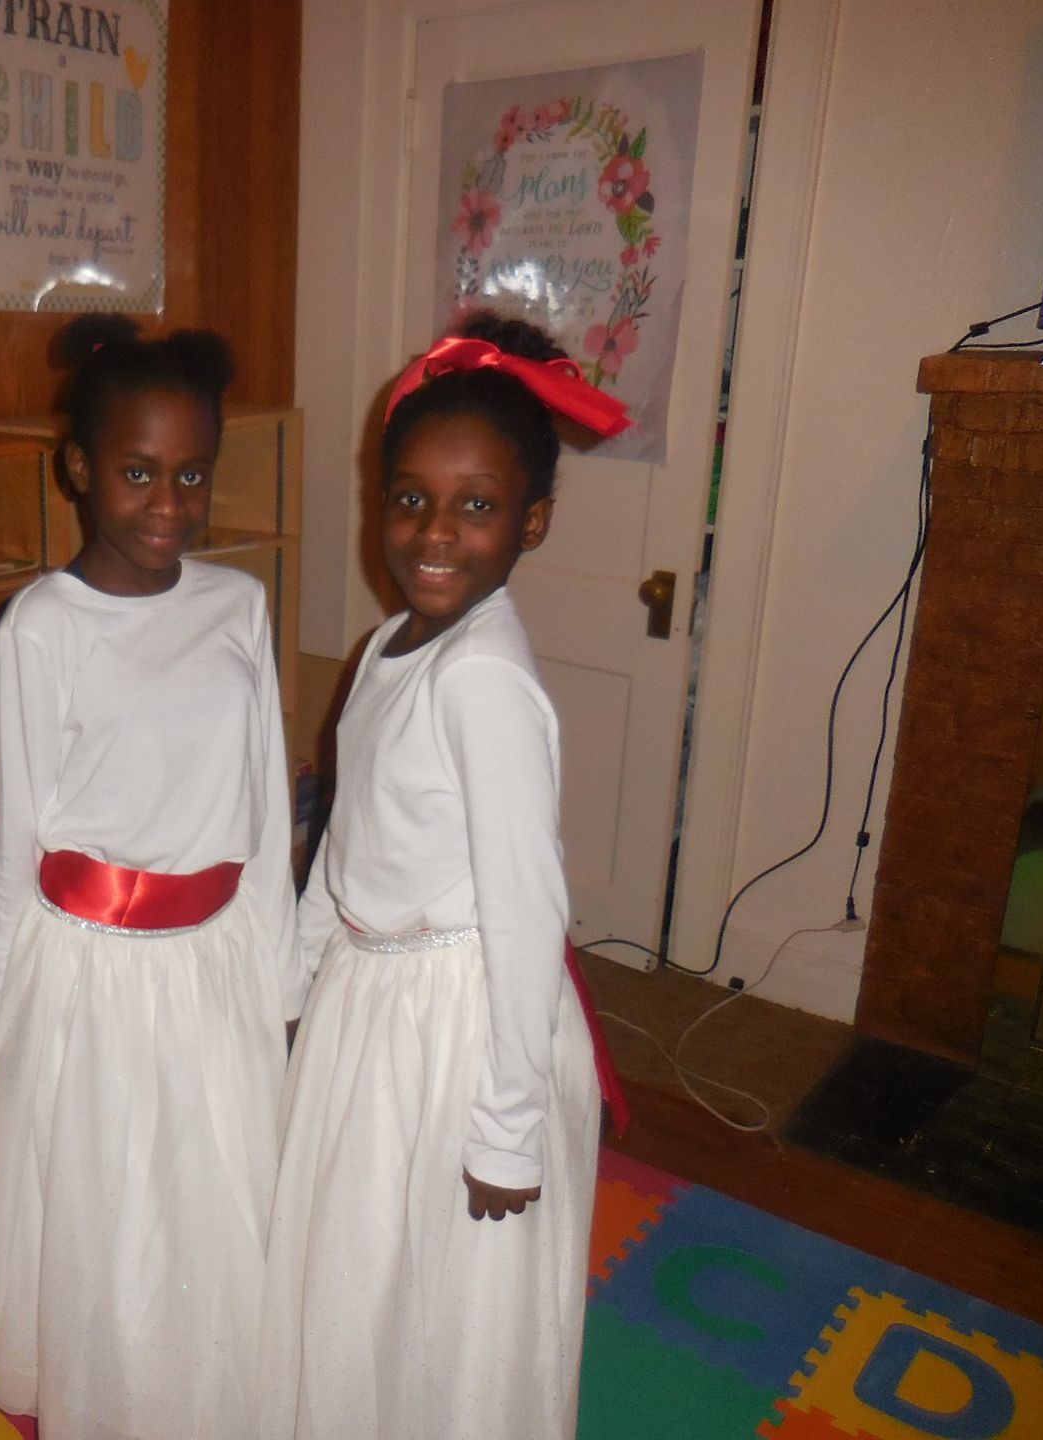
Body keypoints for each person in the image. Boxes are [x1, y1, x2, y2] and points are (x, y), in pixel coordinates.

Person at [258, 314, 632, 1440]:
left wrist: (508, 1127)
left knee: (449, 1301)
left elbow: (528, 917)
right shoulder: (385, 647)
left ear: (534, 520)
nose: (434, 532)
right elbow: (348, 835)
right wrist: (292, 979)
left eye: (477, 506)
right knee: (361, 1265)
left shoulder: (486, 684)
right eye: (409, 496)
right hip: (370, 1005)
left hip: (458, 1029)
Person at [0, 314, 302, 1440]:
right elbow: (16, 838)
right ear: (82, 470)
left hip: (215, 961)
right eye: (140, 473)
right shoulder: (40, 629)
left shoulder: (236, 606)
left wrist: (283, 986)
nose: (169, 504)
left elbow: (267, 811)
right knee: (107, 1204)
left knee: (208, 1194)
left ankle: (200, 1390)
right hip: (89, 973)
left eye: (192, 475)